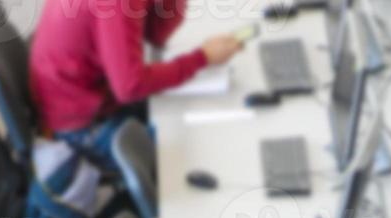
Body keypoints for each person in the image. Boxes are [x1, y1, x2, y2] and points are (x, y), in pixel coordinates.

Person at [28, 0, 245, 171]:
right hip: (81, 127)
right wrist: (202, 58)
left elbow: (155, 34)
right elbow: (129, 86)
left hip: (102, 95)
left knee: (199, 115)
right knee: (199, 151)